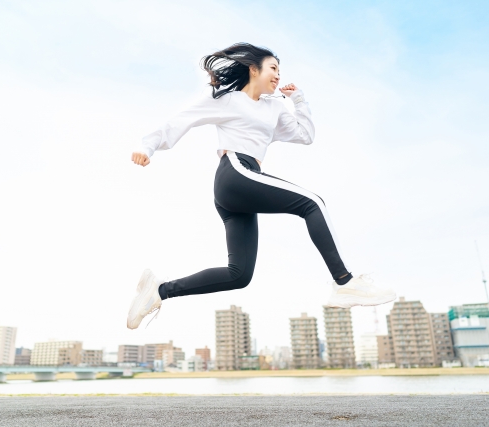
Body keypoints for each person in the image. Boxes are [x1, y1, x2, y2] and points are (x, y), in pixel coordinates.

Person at [127, 43, 395, 329]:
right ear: (254, 70)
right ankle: (345, 282)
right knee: (312, 203)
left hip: (244, 184)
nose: (278, 75)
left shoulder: (275, 108)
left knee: (238, 275)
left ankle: (159, 291)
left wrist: (299, 100)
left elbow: (304, 136)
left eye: (280, 70)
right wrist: (148, 146)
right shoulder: (227, 99)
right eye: (273, 68)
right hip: (235, 172)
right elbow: (181, 120)